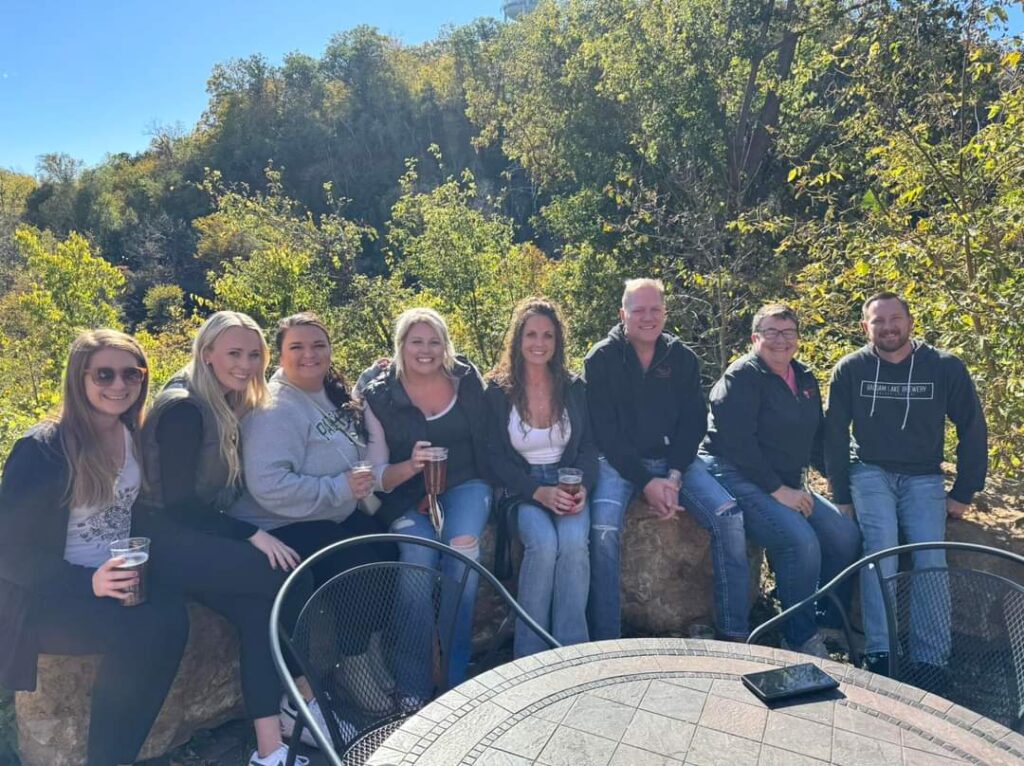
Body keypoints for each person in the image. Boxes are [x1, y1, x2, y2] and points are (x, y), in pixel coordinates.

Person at [0, 330, 307, 766]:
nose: (119, 385)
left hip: (122, 575)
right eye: (104, 374)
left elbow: (139, 512)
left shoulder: (128, 433)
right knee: (152, 629)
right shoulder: (44, 449)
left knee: (225, 604)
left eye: (132, 374)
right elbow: (10, 552)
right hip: (55, 595)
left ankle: (275, 729)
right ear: (78, 378)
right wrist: (89, 581)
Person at [140, 311, 314, 765]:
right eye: (234, 353)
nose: (246, 364)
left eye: (254, 354)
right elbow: (179, 504)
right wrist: (252, 534)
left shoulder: (221, 396)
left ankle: (270, 745)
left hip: (193, 534)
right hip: (164, 540)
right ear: (207, 353)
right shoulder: (184, 409)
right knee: (284, 576)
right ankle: (301, 698)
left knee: (261, 608)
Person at [229, 311, 394, 741]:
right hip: (280, 523)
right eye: (296, 347)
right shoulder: (274, 408)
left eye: (318, 344)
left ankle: (368, 659)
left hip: (327, 511)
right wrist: (339, 488)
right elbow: (269, 487)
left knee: (391, 553)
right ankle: (353, 674)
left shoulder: (325, 393)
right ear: (279, 355)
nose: (309, 354)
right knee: (356, 569)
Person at [824, 292, 987, 676]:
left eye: (895, 318)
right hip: (870, 471)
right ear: (865, 327)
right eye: (878, 321)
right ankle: (881, 651)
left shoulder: (944, 367)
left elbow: (972, 427)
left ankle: (932, 658)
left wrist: (964, 490)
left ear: (910, 321)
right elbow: (832, 434)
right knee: (881, 549)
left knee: (930, 556)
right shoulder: (851, 368)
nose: (888, 327)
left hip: (924, 476)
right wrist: (841, 494)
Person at [584, 278, 748, 642]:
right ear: (622, 314)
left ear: (665, 313)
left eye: (654, 309)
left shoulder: (682, 358)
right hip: (619, 464)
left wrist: (673, 476)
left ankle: (736, 633)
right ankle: (605, 640)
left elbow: (693, 423)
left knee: (729, 518)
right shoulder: (601, 359)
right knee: (603, 530)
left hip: (676, 462)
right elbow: (605, 433)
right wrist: (645, 481)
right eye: (638, 310)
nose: (647, 317)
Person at [701, 304, 862, 657]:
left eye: (788, 333)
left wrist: (846, 481)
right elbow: (737, 444)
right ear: (755, 338)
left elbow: (817, 438)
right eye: (771, 332)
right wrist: (779, 492)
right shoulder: (740, 377)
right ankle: (799, 636)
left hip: (786, 481)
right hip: (735, 474)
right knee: (800, 542)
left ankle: (822, 618)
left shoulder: (803, 378)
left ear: (798, 340)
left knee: (845, 536)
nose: (780, 340)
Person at [361, 307, 493, 693]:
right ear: (401, 345)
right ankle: (412, 686)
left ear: (446, 345)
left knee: (462, 552)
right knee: (417, 559)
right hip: (403, 494)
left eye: (435, 342)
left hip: (466, 483)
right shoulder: (379, 396)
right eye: (417, 341)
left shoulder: (465, 378)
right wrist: (412, 468)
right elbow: (379, 476)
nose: (426, 350)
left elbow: (488, 436)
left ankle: (454, 679)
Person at [485, 298, 597, 657]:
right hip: (521, 486)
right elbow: (494, 457)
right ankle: (530, 656)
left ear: (558, 341)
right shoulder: (497, 390)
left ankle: (571, 651)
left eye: (548, 335)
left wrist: (583, 487)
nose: (539, 343)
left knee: (575, 543)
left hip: (568, 481)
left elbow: (589, 448)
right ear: (517, 339)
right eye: (531, 334)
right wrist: (536, 491)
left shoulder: (574, 386)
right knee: (544, 543)